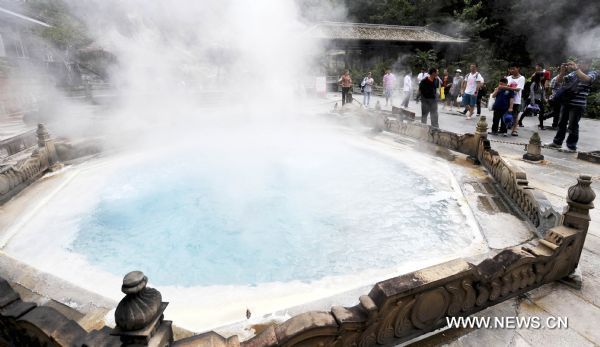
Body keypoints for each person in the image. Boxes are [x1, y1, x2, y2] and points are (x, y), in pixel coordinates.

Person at [546, 59, 599, 151]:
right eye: (579, 63)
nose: (580, 64)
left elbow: (587, 79)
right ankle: (557, 142)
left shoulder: (593, 72)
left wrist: (576, 68)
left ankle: (571, 146)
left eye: (582, 63)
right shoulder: (573, 74)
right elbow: (559, 81)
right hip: (566, 102)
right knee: (561, 123)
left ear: (589, 64)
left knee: (573, 125)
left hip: (578, 104)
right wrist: (562, 71)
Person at [501, 64, 526, 136]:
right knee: (504, 114)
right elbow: (504, 86)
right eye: (511, 69)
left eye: (513, 69)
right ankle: (504, 127)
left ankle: (514, 130)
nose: (512, 70)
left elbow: (518, 89)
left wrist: (507, 88)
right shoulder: (508, 78)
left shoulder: (521, 78)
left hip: (516, 100)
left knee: (515, 115)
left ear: (518, 68)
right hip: (507, 99)